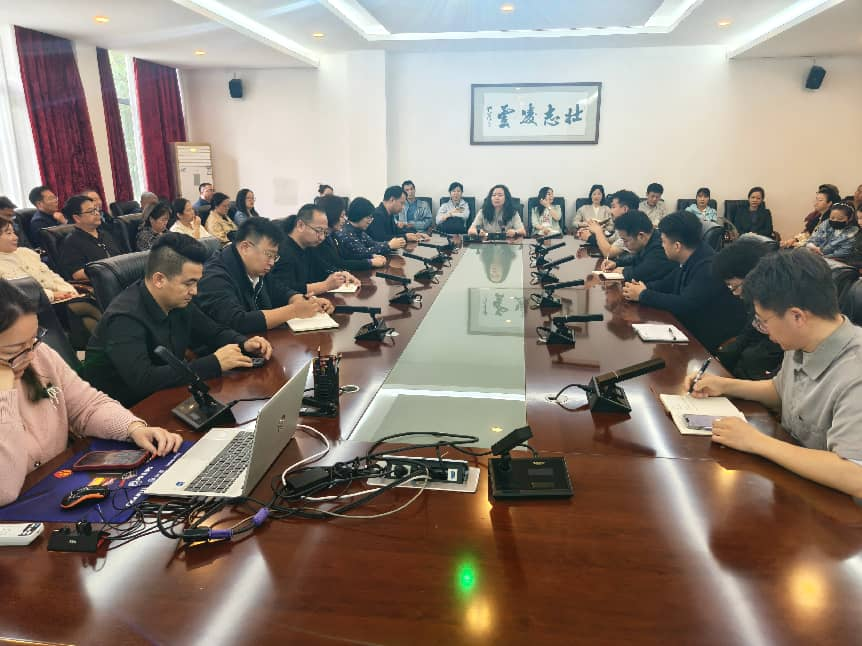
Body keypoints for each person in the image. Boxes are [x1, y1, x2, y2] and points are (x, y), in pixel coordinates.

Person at [686, 248, 862, 499]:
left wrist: (757, 442)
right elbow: (780, 391)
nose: (764, 330)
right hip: (797, 486)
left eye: (763, 321)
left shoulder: (855, 372)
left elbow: (855, 474)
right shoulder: (803, 341)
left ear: (797, 316)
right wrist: (724, 385)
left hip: (838, 511)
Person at [0, 278, 181, 506]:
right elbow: (4, 490)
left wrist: (133, 428)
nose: (31, 355)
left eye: (33, 340)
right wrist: (4, 396)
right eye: (15, 350)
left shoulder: (40, 356)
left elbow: (87, 406)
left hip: (56, 485)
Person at [82, 234, 271, 407]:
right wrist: (214, 363)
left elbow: (213, 331)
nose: (195, 291)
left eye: (196, 282)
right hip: (128, 409)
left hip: (168, 394)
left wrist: (244, 343)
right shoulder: (123, 318)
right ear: (159, 280)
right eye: (189, 283)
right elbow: (143, 380)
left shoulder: (178, 300)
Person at [622, 211, 747, 353]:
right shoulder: (693, 254)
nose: (662, 246)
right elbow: (668, 282)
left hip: (707, 339)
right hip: (689, 327)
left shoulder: (708, 266)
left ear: (677, 246)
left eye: (663, 241)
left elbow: (684, 304)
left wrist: (643, 295)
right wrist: (640, 289)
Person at [196, 218, 326, 334]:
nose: (272, 262)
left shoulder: (256, 267)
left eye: (275, 257)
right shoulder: (214, 276)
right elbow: (237, 321)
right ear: (245, 247)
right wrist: (294, 311)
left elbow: (280, 290)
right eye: (269, 255)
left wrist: (302, 301)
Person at [0, 217, 101, 332]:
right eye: (8, 233)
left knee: (89, 313)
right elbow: (19, 294)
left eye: (14, 232)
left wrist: (69, 292)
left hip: (62, 300)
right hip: (35, 308)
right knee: (88, 309)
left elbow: (52, 276)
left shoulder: (26, 253)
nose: (15, 237)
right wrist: (53, 295)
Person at [711, 239, 784, 380]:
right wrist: (721, 357)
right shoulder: (754, 299)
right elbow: (749, 333)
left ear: (752, 277)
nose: (735, 293)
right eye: (730, 287)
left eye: (735, 286)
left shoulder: (780, 306)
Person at [270, 204, 359, 306]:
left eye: (325, 232)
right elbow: (283, 289)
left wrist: (341, 275)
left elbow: (323, 269)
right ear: (300, 225)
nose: (322, 237)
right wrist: (325, 286)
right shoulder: (282, 250)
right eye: (318, 231)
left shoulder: (309, 246)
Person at [57, 194, 123, 282]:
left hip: (121, 277)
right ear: (77, 218)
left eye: (96, 209)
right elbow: (77, 274)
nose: (97, 213)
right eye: (91, 211)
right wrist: (108, 272)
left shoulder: (105, 234)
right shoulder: (71, 242)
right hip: (101, 284)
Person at [599, 210, 676, 283]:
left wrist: (623, 271)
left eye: (626, 240)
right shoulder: (649, 239)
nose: (624, 244)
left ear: (641, 236)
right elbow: (636, 259)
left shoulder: (660, 247)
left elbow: (643, 273)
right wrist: (616, 263)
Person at [315, 195, 386, 272]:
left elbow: (347, 254)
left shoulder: (332, 235)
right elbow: (339, 263)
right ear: (332, 215)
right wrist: (370, 262)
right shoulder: (322, 239)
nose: (345, 219)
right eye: (342, 216)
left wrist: (371, 256)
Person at [334, 197, 404, 262]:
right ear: (359, 215)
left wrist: (390, 243)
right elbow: (363, 252)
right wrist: (389, 246)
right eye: (368, 217)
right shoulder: (346, 233)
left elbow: (373, 243)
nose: (370, 221)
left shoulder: (359, 230)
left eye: (371, 217)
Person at [578, 189, 639, 259]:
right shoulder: (623, 225)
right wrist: (592, 233)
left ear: (625, 209)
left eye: (613, 207)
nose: (610, 211)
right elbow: (611, 241)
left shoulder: (631, 229)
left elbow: (608, 253)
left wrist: (597, 232)